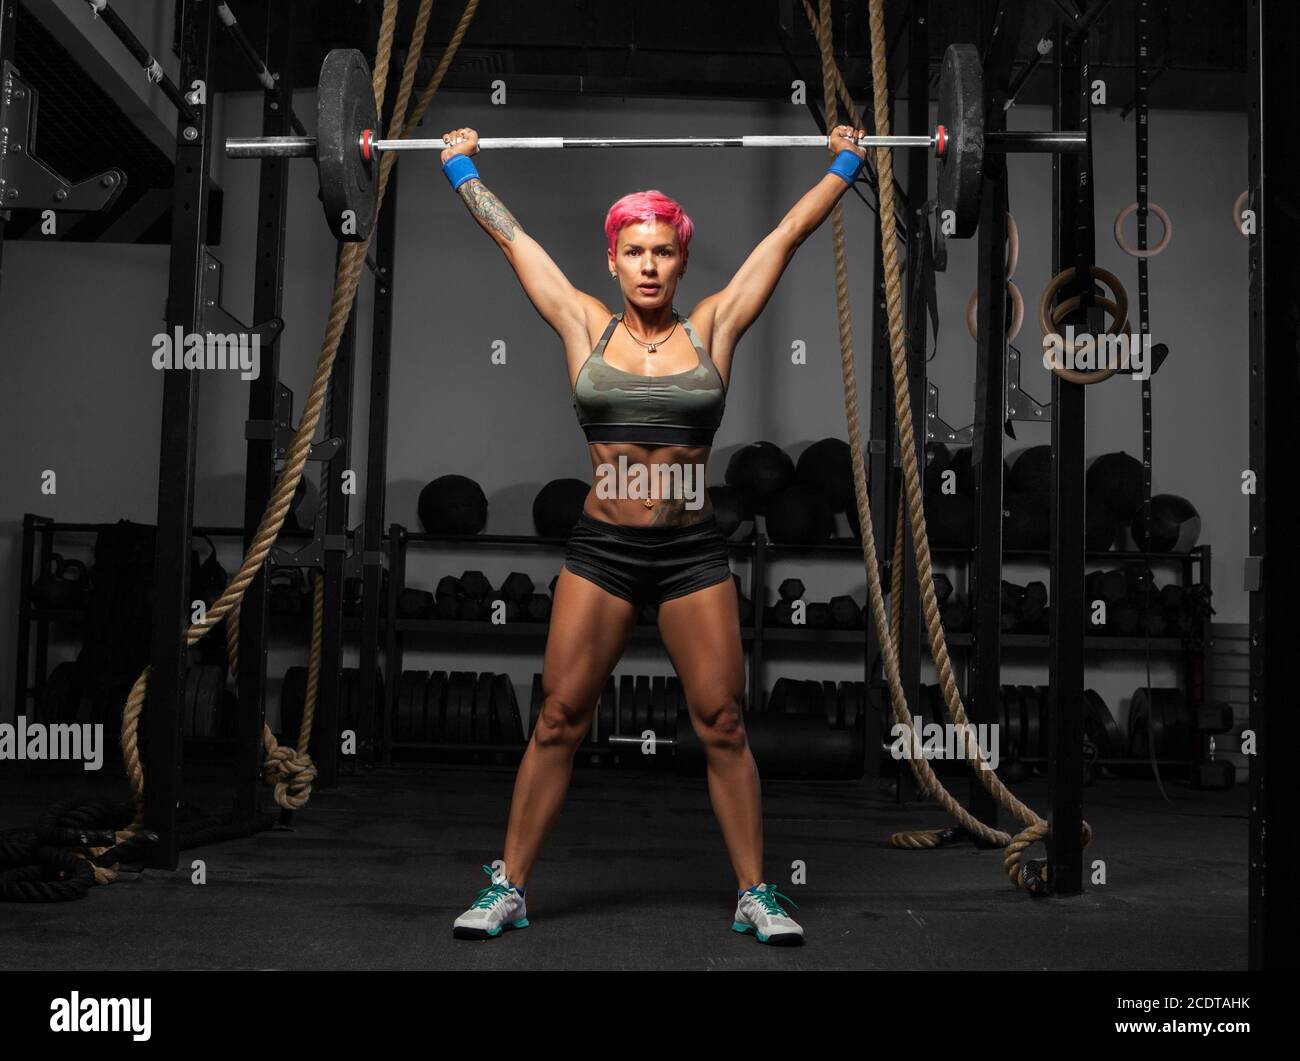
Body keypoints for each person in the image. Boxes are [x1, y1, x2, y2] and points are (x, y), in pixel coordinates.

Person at [443, 124, 869, 945]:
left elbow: (785, 236)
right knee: (560, 715)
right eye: (634, 250)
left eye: (663, 252)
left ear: (681, 260)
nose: (648, 264)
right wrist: (461, 164)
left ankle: (756, 893)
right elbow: (513, 240)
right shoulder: (583, 325)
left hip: (690, 554)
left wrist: (845, 163)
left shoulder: (714, 327)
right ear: (612, 260)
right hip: (603, 550)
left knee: (723, 721)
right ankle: (510, 886)